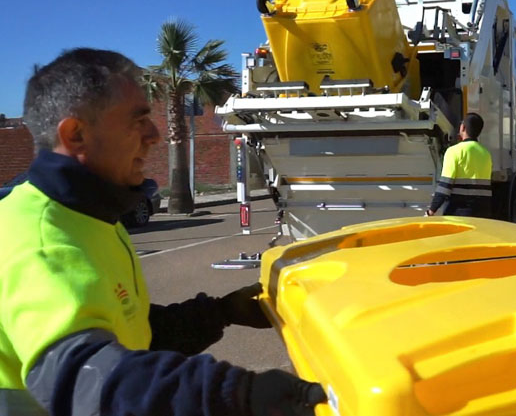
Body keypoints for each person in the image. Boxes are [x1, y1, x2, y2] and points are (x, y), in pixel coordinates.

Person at [0, 49, 326, 416]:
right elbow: (87, 378)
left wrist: (220, 312)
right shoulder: (39, 240)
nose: (155, 134)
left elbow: (133, 329)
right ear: (76, 134)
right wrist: (239, 394)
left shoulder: (90, 215)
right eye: (138, 120)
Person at [426, 112, 493, 218]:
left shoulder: (454, 151)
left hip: (459, 212)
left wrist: (431, 210)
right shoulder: (486, 153)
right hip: (483, 213)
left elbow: (445, 187)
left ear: (463, 128)